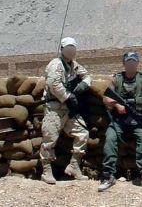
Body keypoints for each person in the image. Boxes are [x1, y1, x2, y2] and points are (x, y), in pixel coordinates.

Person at [98, 50, 142, 192]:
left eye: (133, 62)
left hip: (138, 119)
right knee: (110, 138)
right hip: (119, 120)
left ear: (137, 63)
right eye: (128, 62)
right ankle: (108, 175)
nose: (131, 65)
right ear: (124, 64)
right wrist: (117, 105)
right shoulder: (116, 79)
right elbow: (106, 98)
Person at [40, 36, 92, 184]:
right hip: (54, 107)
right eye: (68, 48)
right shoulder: (55, 64)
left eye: (72, 48)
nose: (70, 51)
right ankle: (46, 170)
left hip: (69, 109)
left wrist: (84, 85)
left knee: (82, 133)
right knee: (49, 139)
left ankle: (74, 165)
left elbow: (87, 76)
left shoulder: (74, 65)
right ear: (62, 49)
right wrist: (68, 96)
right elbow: (54, 84)